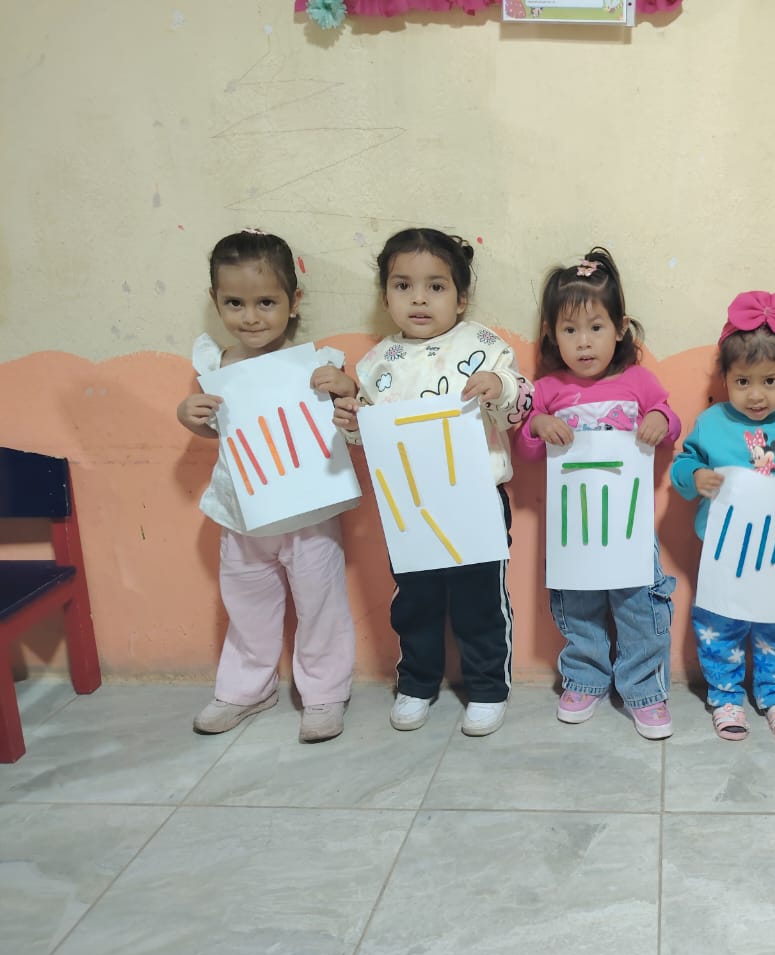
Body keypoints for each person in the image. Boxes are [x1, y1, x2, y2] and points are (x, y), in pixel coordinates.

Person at [327, 228, 530, 738]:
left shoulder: (484, 346)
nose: (419, 298)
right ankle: (416, 682)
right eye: (403, 286)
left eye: (435, 287)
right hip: (409, 503)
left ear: (460, 298)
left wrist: (500, 386)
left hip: (476, 497)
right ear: (385, 296)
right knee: (415, 598)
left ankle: (488, 687)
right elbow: (369, 439)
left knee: (479, 598)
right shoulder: (376, 364)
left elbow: (518, 408)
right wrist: (352, 422)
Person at [177, 229, 357, 744]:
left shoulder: (316, 364)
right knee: (246, 605)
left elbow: (350, 404)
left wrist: (343, 387)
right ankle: (244, 688)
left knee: (321, 604)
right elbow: (215, 429)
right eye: (234, 303)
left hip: (308, 514)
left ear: (292, 301)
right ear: (216, 301)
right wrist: (189, 416)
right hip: (242, 514)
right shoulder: (216, 366)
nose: (250, 317)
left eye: (266, 302)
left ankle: (324, 693)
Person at [514, 248, 681, 740]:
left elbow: (670, 422)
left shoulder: (637, 381)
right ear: (552, 334)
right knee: (577, 605)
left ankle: (645, 689)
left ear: (620, 328)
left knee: (639, 605)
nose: (583, 342)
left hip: (629, 522)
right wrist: (538, 425)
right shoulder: (548, 389)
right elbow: (527, 448)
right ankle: (585, 678)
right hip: (574, 527)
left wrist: (659, 418)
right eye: (570, 330)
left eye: (596, 327)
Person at [670, 291, 775, 740]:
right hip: (725, 553)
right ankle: (725, 695)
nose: (756, 395)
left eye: (770, 381)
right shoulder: (711, 423)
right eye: (742, 381)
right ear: (724, 377)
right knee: (719, 623)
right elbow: (684, 463)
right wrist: (695, 476)